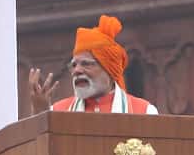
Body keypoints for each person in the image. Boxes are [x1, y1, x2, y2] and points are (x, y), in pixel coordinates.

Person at [28, 14, 159, 114]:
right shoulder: (58, 112)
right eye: (73, 65)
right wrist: (41, 115)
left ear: (109, 70)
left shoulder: (143, 112)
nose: (77, 71)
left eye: (86, 64)